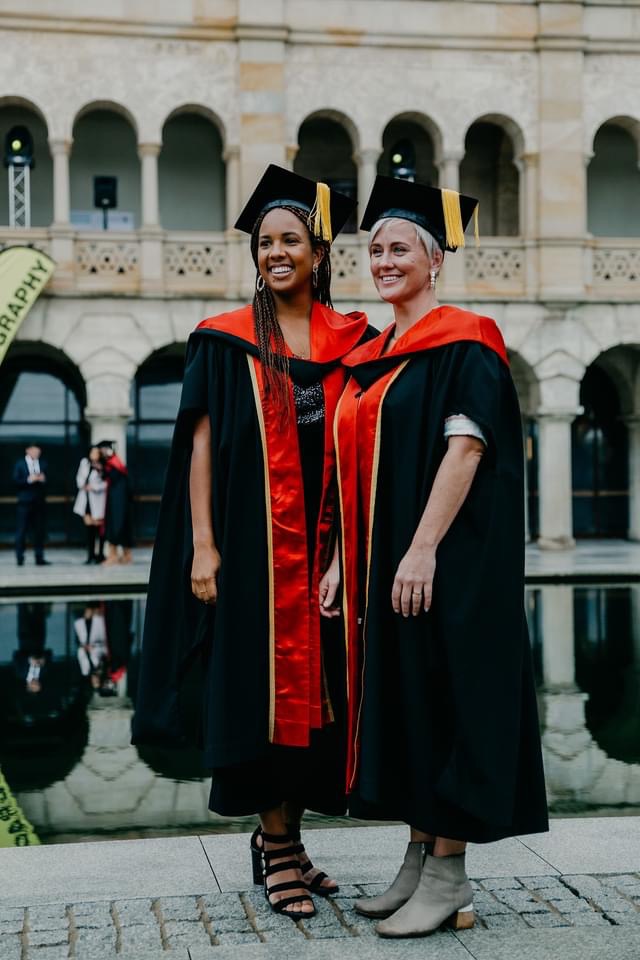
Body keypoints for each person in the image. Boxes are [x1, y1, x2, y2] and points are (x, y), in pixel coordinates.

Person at [132, 165, 371, 921]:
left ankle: (292, 842)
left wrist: (345, 554)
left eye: (290, 239)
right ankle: (273, 847)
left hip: (323, 558)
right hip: (250, 552)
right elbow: (200, 443)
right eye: (265, 241)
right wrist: (203, 546)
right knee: (257, 697)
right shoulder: (223, 340)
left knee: (315, 705)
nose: (275, 252)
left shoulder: (353, 341)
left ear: (318, 253)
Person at [334, 176, 548, 938]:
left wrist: (422, 549)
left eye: (400, 250)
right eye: (376, 250)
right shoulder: (377, 350)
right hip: (389, 559)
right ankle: (418, 858)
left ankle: (450, 873)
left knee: (449, 696)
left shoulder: (466, 341)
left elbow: (466, 449)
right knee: (411, 698)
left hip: (448, 561)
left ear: (434, 260)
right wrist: (343, 558)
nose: (384, 261)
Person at [97, 441, 134, 565]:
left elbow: (112, 478)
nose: (102, 452)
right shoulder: (113, 463)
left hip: (117, 502)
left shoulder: (114, 463)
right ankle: (125, 555)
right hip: (117, 501)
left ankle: (115, 556)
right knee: (119, 526)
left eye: (103, 449)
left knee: (115, 526)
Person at [13, 444, 49, 566]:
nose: (36, 453)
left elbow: (50, 481)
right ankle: (19, 557)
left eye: (38, 451)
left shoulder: (43, 464)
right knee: (21, 530)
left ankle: (39, 557)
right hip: (24, 503)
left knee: (39, 531)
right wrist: (29, 479)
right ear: (28, 450)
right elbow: (15, 481)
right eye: (34, 450)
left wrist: (43, 479)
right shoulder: (19, 464)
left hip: (39, 503)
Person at [73, 446, 107, 563]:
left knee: (99, 529)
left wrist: (94, 487)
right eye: (92, 452)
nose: (94, 454)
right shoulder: (85, 463)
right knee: (89, 529)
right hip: (86, 500)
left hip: (97, 500)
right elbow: (79, 477)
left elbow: (106, 483)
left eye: (96, 452)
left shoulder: (103, 466)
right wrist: (83, 485)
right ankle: (90, 555)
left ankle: (100, 554)